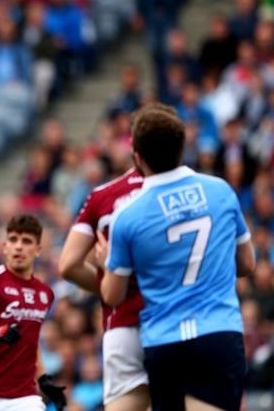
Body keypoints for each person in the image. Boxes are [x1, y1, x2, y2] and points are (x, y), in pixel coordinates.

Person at [99, 104, 256, 411]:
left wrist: (106, 263)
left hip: (163, 341)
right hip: (218, 333)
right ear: (182, 147)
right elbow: (247, 264)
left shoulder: (126, 216)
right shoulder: (220, 191)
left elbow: (113, 296)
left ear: (138, 157)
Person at [58, 163, 149, 411]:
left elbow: (67, 265)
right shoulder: (196, 190)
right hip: (177, 325)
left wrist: (112, 284)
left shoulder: (103, 195)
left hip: (122, 326)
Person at [0, 214, 67, 411]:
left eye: (26, 241)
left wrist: (43, 379)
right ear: (5, 246)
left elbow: (30, 341)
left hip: (25, 397)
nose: (19, 246)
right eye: (13, 240)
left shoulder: (45, 293)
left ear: (38, 250)